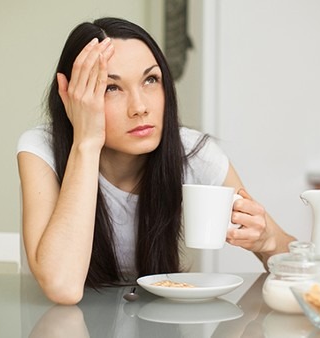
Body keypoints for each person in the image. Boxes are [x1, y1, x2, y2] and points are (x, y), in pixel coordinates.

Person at [17, 17, 296, 305]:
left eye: (151, 80)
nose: (140, 107)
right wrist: (86, 144)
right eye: (111, 88)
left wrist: (268, 242)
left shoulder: (192, 151)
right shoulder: (41, 148)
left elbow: (298, 261)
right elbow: (62, 288)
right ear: (72, 95)